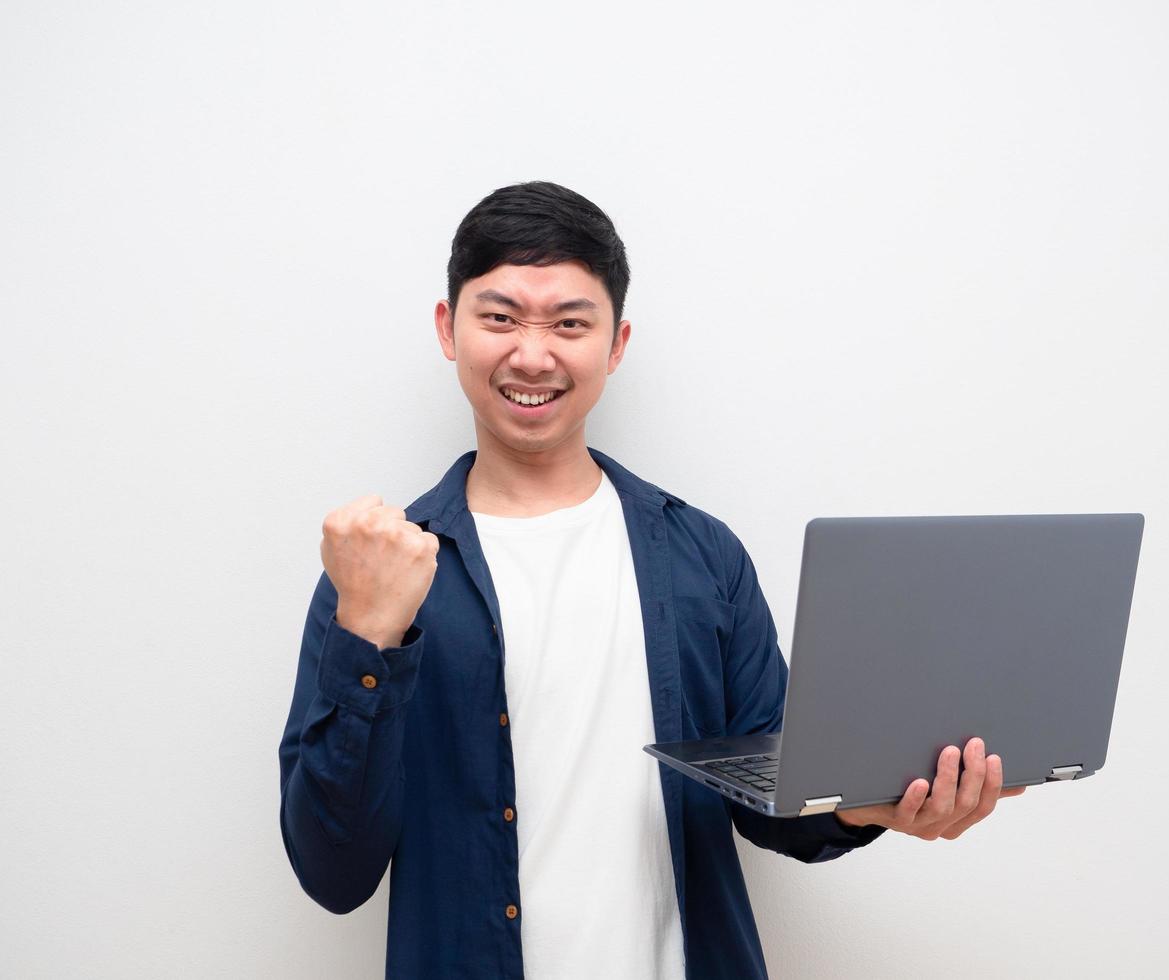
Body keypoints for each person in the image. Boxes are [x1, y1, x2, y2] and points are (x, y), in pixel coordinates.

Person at [277, 180, 1025, 979]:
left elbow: (773, 802)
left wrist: (869, 804)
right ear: (448, 329)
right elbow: (333, 870)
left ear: (617, 342)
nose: (533, 354)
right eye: (499, 318)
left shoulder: (701, 555)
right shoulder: (378, 572)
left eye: (570, 322)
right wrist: (367, 631)